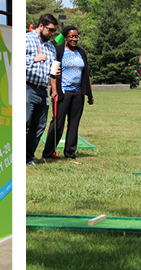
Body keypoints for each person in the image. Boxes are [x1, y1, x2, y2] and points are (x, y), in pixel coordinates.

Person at [42, 25, 94, 164]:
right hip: (62, 93)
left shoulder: (81, 52)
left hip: (78, 94)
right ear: (65, 37)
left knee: (74, 124)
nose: (75, 39)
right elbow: (53, 73)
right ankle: (48, 153)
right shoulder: (58, 50)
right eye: (71, 36)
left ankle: (70, 153)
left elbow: (86, 73)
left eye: (76, 36)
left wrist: (89, 94)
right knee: (57, 123)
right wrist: (54, 91)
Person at [26, 14, 58, 165]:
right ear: (41, 26)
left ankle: (28, 158)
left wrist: (55, 75)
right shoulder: (25, 39)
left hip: (43, 90)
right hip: (27, 88)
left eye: (54, 31)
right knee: (24, 122)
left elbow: (51, 69)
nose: (52, 34)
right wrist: (33, 58)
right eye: (50, 30)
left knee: (39, 127)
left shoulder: (51, 47)